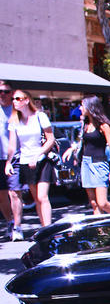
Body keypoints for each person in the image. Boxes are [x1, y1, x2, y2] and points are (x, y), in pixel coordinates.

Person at [5, 90, 55, 235]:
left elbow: (50, 140)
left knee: (42, 196)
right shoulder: (14, 121)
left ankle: (49, 229)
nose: (15, 101)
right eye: (14, 99)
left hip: (42, 160)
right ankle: (44, 229)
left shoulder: (40, 116)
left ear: (27, 100)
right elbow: (13, 145)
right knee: (36, 198)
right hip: (25, 161)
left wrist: (38, 154)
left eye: (18, 98)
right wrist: (9, 162)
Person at [64, 96, 110, 216]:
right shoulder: (85, 125)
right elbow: (80, 142)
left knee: (102, 202)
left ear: (90, 106)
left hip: (99, 164)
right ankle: (100, 231)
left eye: (82, 105)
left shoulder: (103, 126)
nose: (80, 108)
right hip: (86, 163)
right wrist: (71, 149)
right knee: (93, 203)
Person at [0, 81, 17, 239]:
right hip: (0, 157)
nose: (2, 94)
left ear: (12, 93)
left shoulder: (16, 110)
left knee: (14, 193)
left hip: (15, 157)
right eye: (0, 91)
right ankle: (10, 222)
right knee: (2, 194)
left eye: (6, 91)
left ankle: (17, 225)